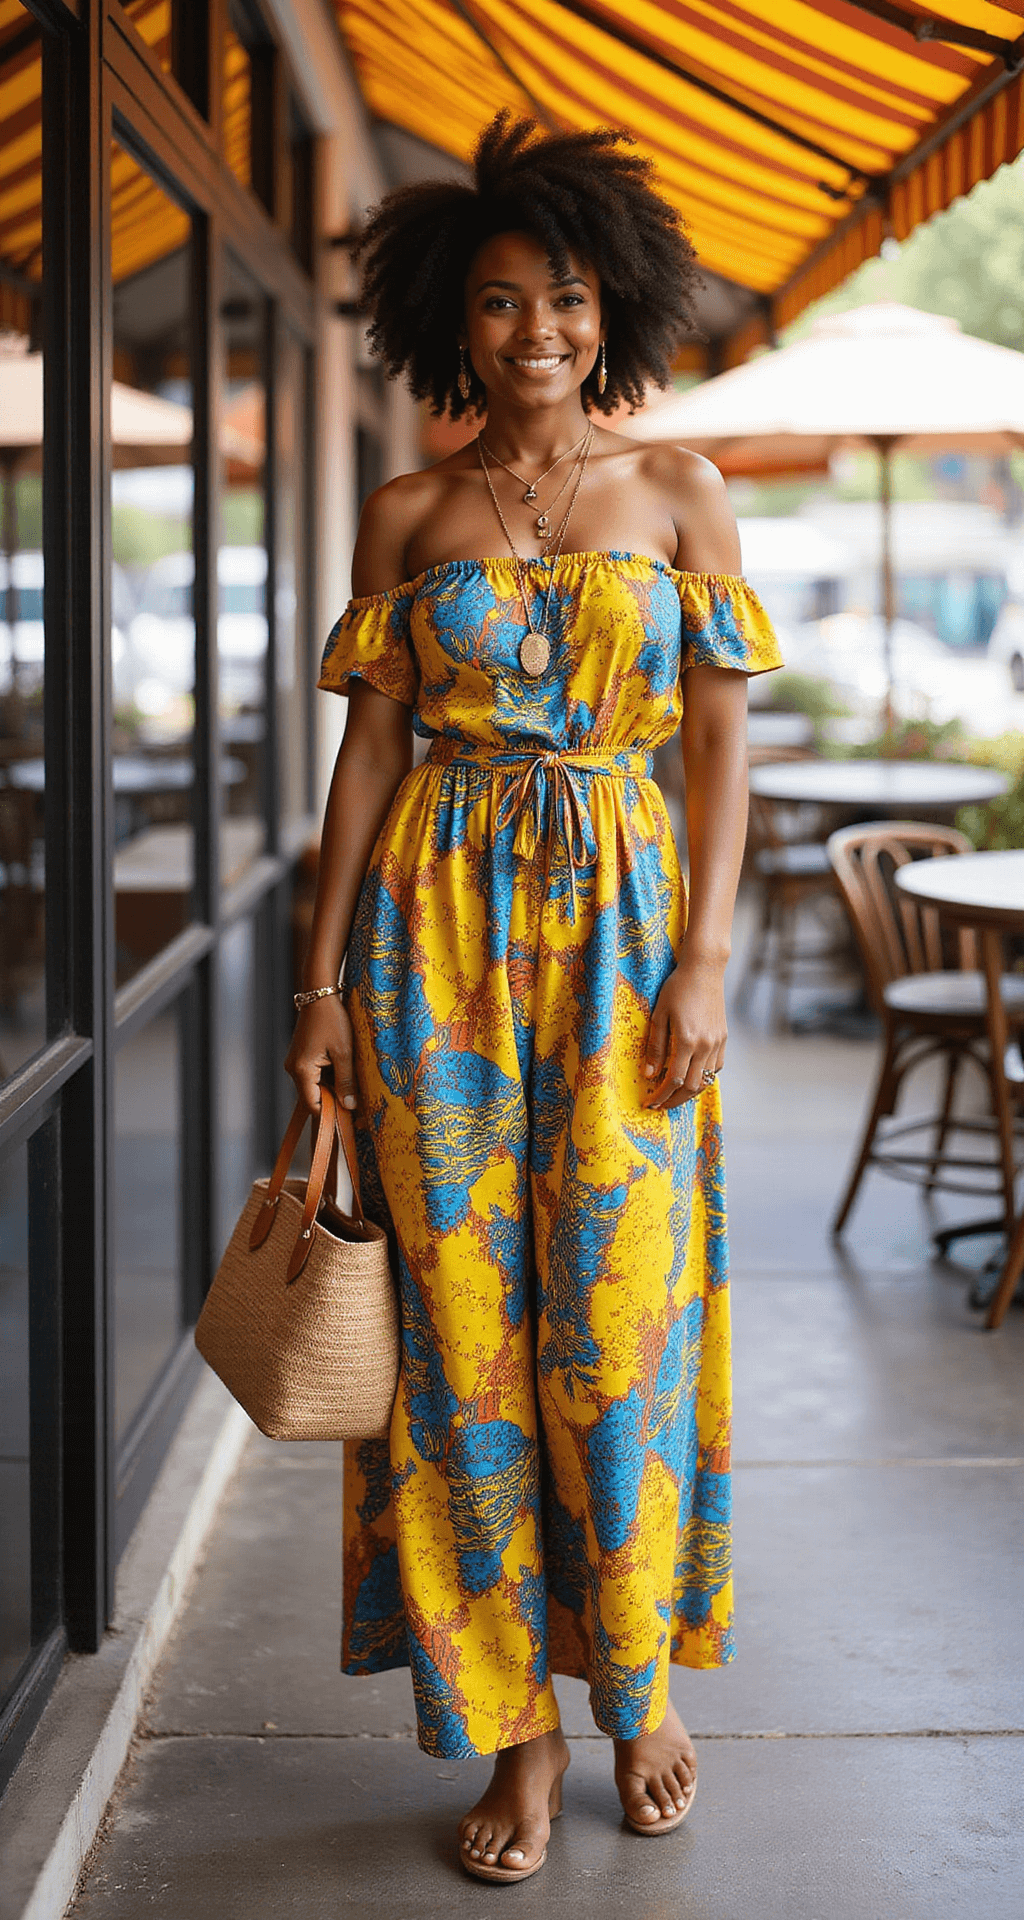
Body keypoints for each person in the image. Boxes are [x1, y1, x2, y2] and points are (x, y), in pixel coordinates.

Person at [285, 112, 781, 1885]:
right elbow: (368, 757)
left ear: (612, 305)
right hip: (432, 950)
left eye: (564, 297)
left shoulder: (682, 491)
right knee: (463, 1341)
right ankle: (517, 1728)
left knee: (620, 1322)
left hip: (631, 946)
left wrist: (705, 960)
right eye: (499, 302)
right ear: (450, 320)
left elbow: (717, 748)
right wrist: (322, 983)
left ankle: (637, 1687)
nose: (537, 330)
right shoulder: (409, 512)